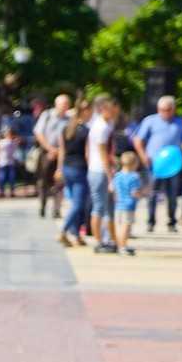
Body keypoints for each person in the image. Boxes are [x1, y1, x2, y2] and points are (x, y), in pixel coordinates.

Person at [132, 96, 182, 233]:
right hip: (154, 165)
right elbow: (138, 140)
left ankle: (171, 222)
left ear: (173, 109)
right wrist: (143, 156)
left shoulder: (180, 123)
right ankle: (151, 222)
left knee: (172, 195)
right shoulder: (150, 121)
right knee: (152, 194)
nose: (165, 112)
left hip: (173, 166)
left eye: (168, 110)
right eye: (162, 110)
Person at [56, 99, 93, 248]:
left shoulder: (66, 128)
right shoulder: (85, 131)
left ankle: (76, 235)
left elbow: (62, 151)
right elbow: (87, 154)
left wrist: (59, 169)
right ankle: (64, 230)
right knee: (78, 204)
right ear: (84, 112)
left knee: (74, 203)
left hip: (67, 168)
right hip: (80, 169)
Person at [88, 95, 120, 251]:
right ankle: (99, 241)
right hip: (100, 171)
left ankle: (109, 239)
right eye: (114, 109)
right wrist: (110, 178)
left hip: (98, 169)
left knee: (108, 208)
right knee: (99, 207)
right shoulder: (101, 127)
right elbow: (103, 155)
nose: (116, 112)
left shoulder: (107, 124)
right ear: (106, 109)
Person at [34, 95, 70, 219]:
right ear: (56, 105)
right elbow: (38, 132)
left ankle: (56, 209)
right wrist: (50, 148)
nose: (65, 107)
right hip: (47, 152)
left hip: (62, 153)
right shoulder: (47, 115)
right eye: (62, 105)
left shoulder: (69, 119)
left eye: (66, 105)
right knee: (43, 181)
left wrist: (61, 151)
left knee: (59, 182)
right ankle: (43, 205)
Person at [111, 151, 144, 256]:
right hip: (129, 205)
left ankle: (119, 244)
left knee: (118, 225)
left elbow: (113, 189)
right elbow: (134, 192)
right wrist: (142, 194)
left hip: (118, 205)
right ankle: (123, 246)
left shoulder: (117, 175)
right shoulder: (134, 177)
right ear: (135, 164)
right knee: (126, 226)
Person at [0, 121, 19, 198]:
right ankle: (11, 191)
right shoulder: (13, 142)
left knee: (3, 177)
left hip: (3, 162)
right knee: (10, 177)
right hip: (9, 162)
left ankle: (2, 191)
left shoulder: (3, 142)